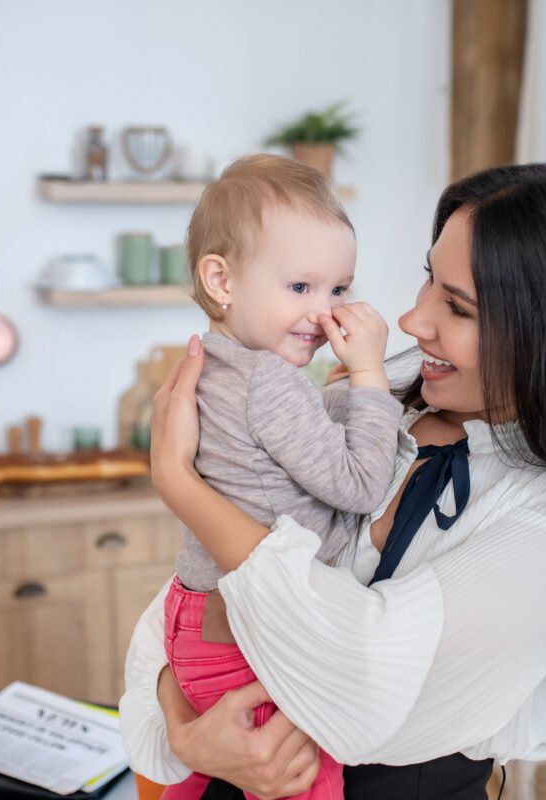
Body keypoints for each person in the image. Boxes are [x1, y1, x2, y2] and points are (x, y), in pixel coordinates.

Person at [120, 161, 546, 800]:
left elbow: (358, 692)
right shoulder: (371, 401)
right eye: (429, 279)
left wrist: (180, 486)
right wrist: (186, 733)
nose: (413, 321)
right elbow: (170, 627)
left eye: (458, 306)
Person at [156, 154, 405, 800]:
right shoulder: (270, 379)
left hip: (196, 621)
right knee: (307, 782)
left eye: (339, 290)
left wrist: (343, 392)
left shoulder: (213, 363)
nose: (324, 315)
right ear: (222, 280)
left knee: (205, 778)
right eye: (301, 288)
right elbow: (358, 484)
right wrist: (371, 376)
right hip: (251, 634)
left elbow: (296, 451)